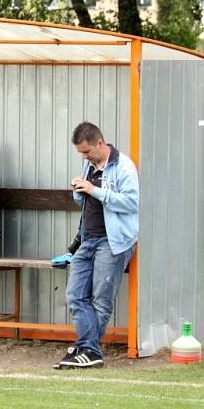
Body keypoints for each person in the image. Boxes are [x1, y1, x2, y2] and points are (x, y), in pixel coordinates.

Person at [54, 122, 138, 370]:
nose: (85, 156)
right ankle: (88, 348)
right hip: (87, 240)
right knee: (75, 295)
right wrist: (80, 191)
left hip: (113, 242)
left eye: (87, 151)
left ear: (100, 143)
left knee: (101, 300)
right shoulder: (89, 164)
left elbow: (131, 203)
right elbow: (85, 201)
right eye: (81, 153)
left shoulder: (124, 167)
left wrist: (95, 190)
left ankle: (86, 350)